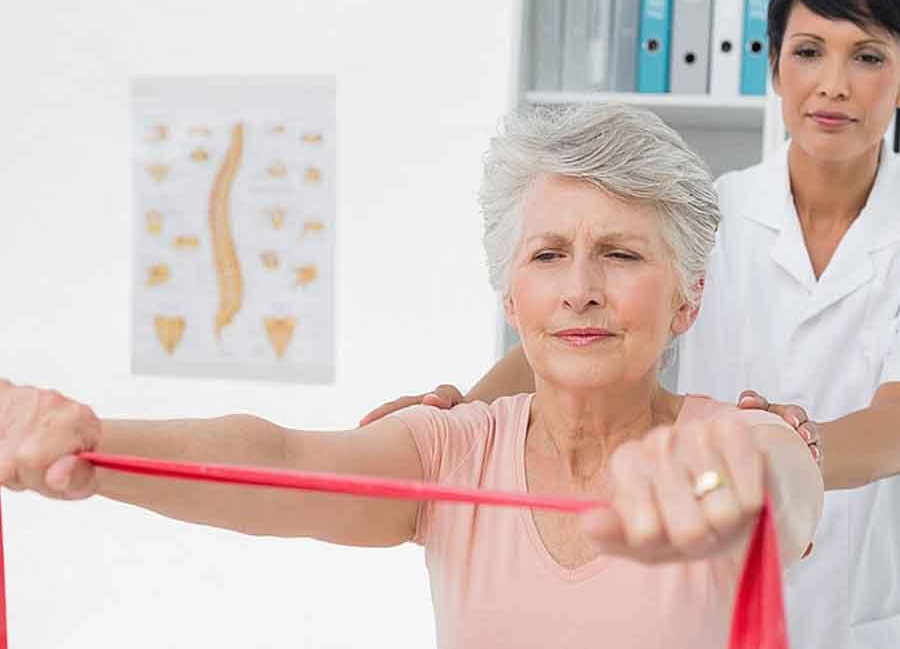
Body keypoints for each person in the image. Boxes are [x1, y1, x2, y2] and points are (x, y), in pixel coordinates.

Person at [0, 103, 823, 649]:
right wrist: (94, 447)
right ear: (510, 292)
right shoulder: (451, 449)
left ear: (688, 298)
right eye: (548, 254)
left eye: (621, 252)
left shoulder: (738, 436)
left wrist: (718, 482)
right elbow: (276, 459)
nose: (580, 286)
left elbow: (779, 477)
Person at [361, 0, 900, 647]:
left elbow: (893, 423)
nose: (834, 85)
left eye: (869, 56)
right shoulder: (711, 214)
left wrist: (786, 454)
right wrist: (460, 428)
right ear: (773, 66)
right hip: (686, 584)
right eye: (809, 51)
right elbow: (578, 329)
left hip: (849, 600)